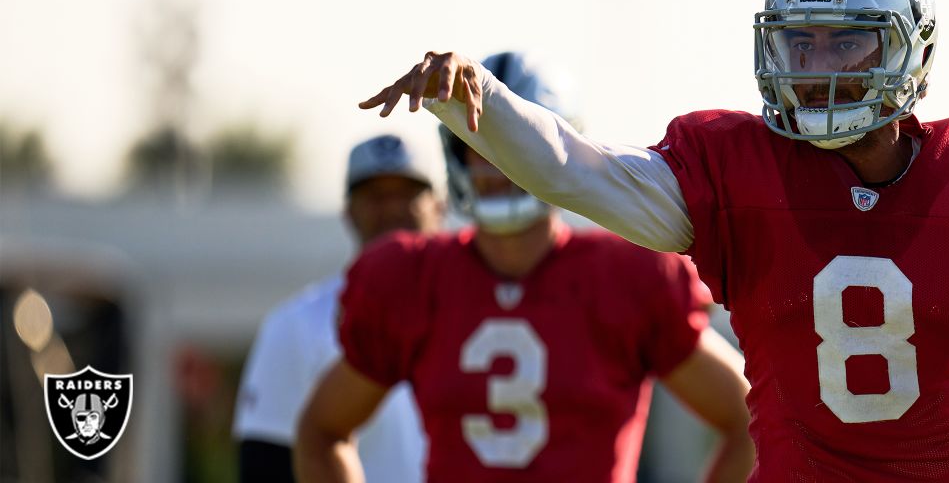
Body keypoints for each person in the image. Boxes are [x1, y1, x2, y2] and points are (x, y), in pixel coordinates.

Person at [358, 0, 949, 482]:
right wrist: (477, 99)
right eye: (800, 43)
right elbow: (577, 170)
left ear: (910, 51)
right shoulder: (736, 172)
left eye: (847, 45)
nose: (817, 69)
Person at [297, 52, 755, 483]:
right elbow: (321, 430)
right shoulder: (413, 278)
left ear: (555, 146)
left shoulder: (626, 274)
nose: (496, 165)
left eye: (514, 144)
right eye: (479, 142)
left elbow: (751, 416)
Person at [234, 134, 445, 482]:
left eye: (408, 194)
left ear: (441, 205)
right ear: (348, 212)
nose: (392, 208)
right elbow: (266, 464)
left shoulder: (483, 308)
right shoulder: (295, 323)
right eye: (375, 196)